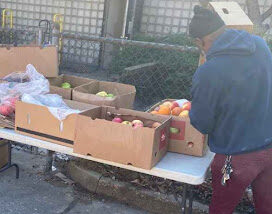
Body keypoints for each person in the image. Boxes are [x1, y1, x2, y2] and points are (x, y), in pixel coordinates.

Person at [188, 5, 272, 214]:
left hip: (236, 157)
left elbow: (203, 123)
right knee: (267, 206)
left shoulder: (208, 72)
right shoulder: (260, 45)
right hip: (269, 146)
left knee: (221, 208)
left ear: (200, 41)